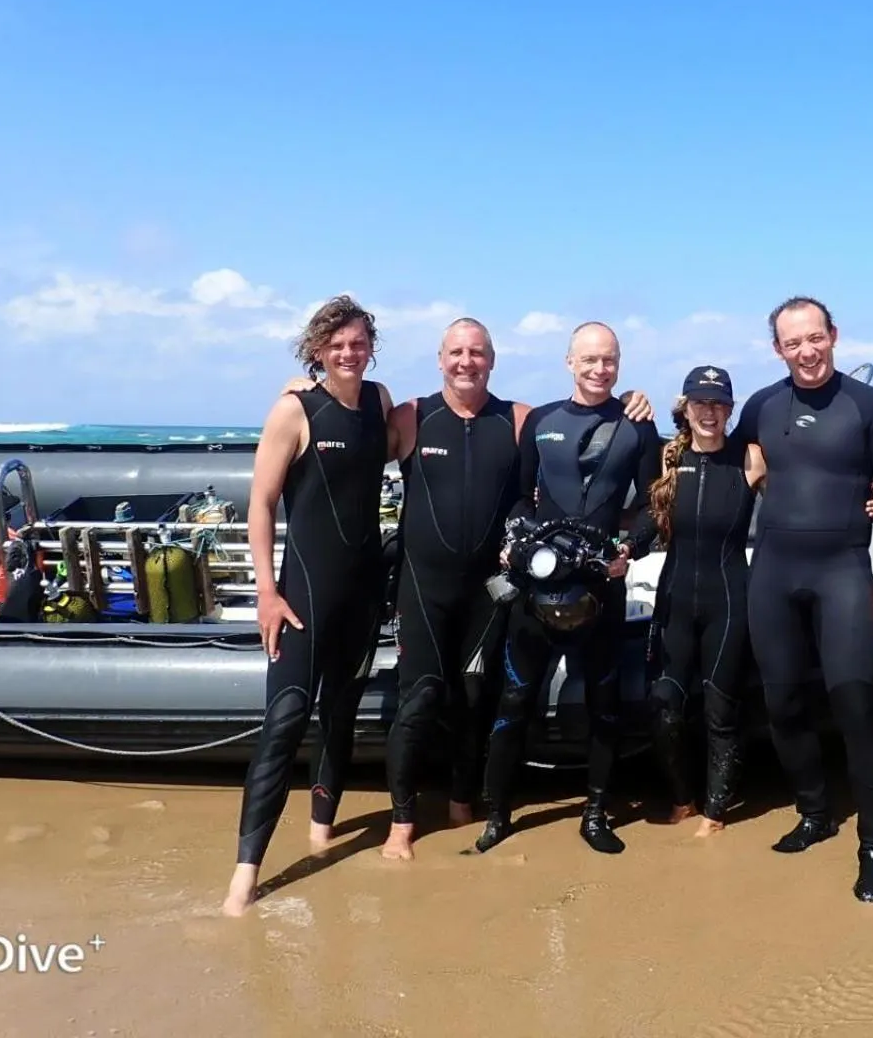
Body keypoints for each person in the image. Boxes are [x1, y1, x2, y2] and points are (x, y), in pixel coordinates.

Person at [277, 318, 657, 862]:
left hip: (515, 588)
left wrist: (627, 545)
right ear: (440, 358)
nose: (466, 361)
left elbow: (623, 488)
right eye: (456, 352)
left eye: (477, 352)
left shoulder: (523, 419)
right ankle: (411, 822)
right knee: (426, 698)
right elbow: (350, 436)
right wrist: (307, 392)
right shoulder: (416, 416)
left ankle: (483, 805)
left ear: (493, 359)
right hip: (440, 586)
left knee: (489, 697)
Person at [637, 365, 873, 838]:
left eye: (719, 404)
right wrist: (625, 549)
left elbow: (806, 487)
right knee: (664, 705)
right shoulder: (670, 457)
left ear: (730, 410)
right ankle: (682, 798)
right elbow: (652, 517)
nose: (709, 413)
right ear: (684, 408)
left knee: (720, 710)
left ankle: (714, 812)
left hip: (729, 596)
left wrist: (863, 499)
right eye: (700, 403)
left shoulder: (751, 458)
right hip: (673, 597)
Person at [732, 295, 873, 903]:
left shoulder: (870, 407)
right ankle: (815, 813)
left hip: (842, 570)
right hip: (775, 570)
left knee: (856, 706)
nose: (806, 352)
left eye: (815, 338)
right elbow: (719, 457)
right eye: (792, 343)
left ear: (833, 335)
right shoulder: (760, 406)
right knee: (782, 703)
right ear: (777, 349)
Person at [223, 295, 396, 916]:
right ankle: (246, 876)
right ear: (318, 349)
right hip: (304, 597)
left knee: (343, 713)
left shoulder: (378, 403)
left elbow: (435, 434)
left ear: (370, 347)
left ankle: (322, 834)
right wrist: (267, 591)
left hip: (361, 593)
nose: (349, 353)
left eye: (358, 343)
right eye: (337, 344)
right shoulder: (294, 411)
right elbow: (261, 504)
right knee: (285, 723)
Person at [474, 321, 663, 855]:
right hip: (538, 585)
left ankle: (597, 813)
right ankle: (497, 815)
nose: (600, 370)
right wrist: (516, 540)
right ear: (569, 362)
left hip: (600, 584)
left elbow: (653, 501)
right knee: (515, 699)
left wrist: (632, 550)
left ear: (619, 364)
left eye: (609, 360)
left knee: (604, 703)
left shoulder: (636, 424)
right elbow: (518, 499)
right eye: (590, 360)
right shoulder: (541, 420)